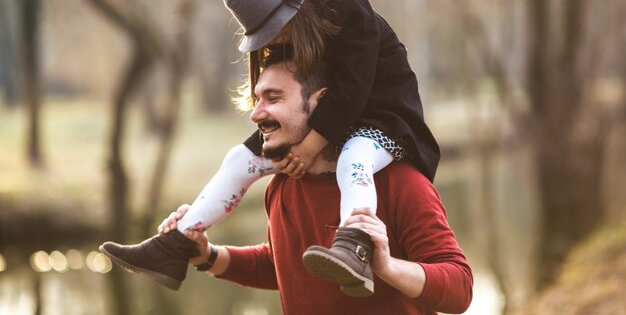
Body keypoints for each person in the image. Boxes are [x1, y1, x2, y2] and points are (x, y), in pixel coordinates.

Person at [99, 0, 440, 296]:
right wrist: (211, 256)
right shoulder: (292, 34)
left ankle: (355, 245)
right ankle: (176, 243)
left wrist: (307, 149)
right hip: (324, 116)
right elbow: (289, 96)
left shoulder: (347, 8)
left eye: (273, 30)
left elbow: (353, 89)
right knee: (239, 159)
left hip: (384, 119)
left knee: (354, 159)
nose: (272, 42)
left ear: (295, 6)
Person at [160, 53, 473, 315]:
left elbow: (460, 288)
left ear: (321, 103)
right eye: (257, 99)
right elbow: (284, 266)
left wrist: (387, 267)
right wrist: (209, 256)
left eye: (273, 97)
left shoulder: (399, 182)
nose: (256, 114)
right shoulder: (282, 187)